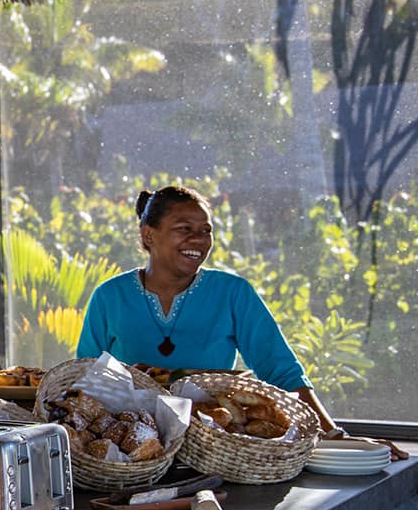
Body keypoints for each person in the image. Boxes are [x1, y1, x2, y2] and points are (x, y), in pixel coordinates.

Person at [76, 184, 406, 460]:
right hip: (131, 454)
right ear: (149, 235)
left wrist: (334, 435)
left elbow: (281, 370)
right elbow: (84, 379)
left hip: (215, 449)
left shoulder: (233, 293)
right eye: (184, 229)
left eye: (206, 231)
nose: (199, 240)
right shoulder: (109, 296)